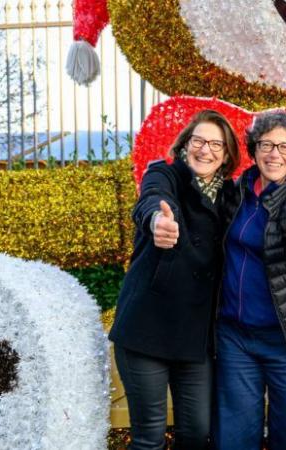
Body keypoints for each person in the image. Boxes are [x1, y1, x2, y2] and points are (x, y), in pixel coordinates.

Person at [109, 110, 240, 450]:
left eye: (216, 144)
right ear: (185, 145)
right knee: (149, 436)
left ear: (226, 156)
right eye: (199, 141)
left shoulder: (231, 195)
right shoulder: (163, 175)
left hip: (195, 340)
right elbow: (152, 201)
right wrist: (156, 222)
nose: (205, 150)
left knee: (196, 432)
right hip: (145, 331)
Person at [214, 110, 286, 450]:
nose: (274, 154)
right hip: (235, 337)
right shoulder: (235, 193)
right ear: (253, 149)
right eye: (266, 145)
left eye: (284, 147)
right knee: (234, 436)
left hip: (285, 340)